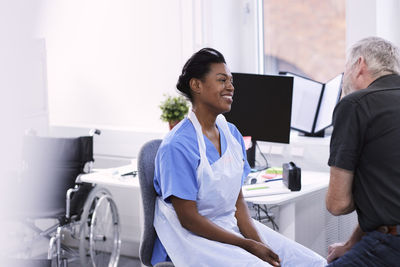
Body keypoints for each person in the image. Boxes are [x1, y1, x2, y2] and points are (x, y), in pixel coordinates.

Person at [152, 47, 326, 266]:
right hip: (193, 239)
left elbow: (238, 203)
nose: (231, 87)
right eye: (222, 80)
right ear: (196, 85)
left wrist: (261, 245)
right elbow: (189, 220)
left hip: (228, 226)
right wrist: (246, 245)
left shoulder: (232, 134)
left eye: (231, 81)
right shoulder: (177, 146)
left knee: (313, 262)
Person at [326, 36, 400, 266]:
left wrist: (347, 101)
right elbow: (386, 199)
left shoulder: (356, 104)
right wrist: (350, 245)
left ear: (359, 65)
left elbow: (337, 204)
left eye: (345, 69)